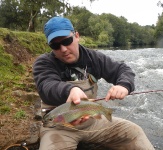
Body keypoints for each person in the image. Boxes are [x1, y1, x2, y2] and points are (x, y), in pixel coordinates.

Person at [33, 16, 155, 150]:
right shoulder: (43, 63)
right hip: (58, 128)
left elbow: (122, 69)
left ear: (77, 36)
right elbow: (47, 86)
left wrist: (124, 85)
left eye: (67, 41)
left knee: (135, 133)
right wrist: (70, 90)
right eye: (55, 45)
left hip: (92, 122)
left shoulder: (94, 58)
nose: (63, 49)